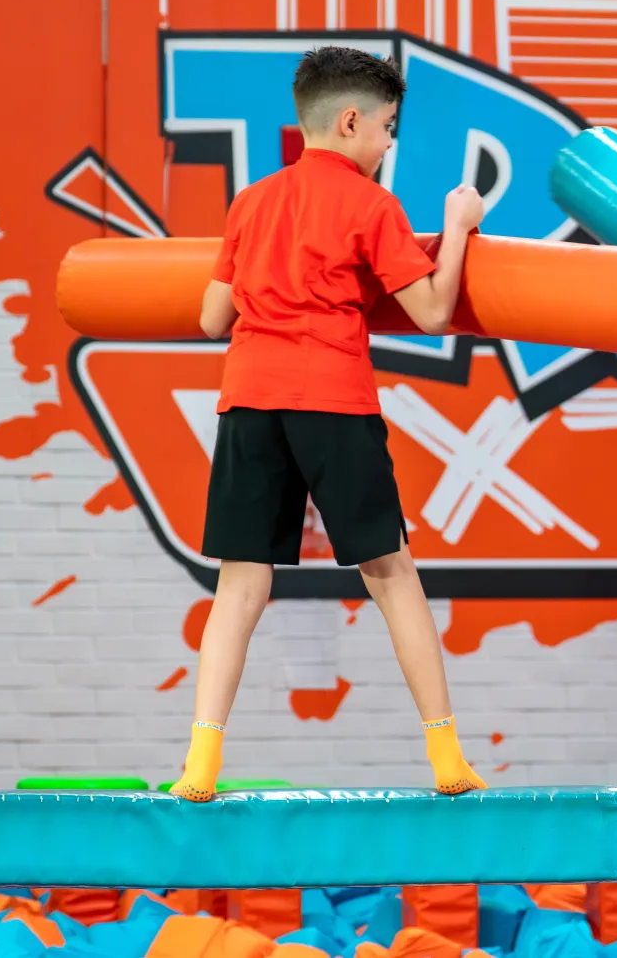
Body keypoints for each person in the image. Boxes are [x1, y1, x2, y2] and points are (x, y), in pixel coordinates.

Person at [170, 46, 488, 801]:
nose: (388, 145)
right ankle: (446, 756)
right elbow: (435, 310)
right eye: (386, 129)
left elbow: (212, 316)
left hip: (249, 399)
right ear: (350, 121)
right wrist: (459, 221)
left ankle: (200, 764)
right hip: (334, 401)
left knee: (239, 586)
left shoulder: (250, 202)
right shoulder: (372, 205)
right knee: (390, 573)